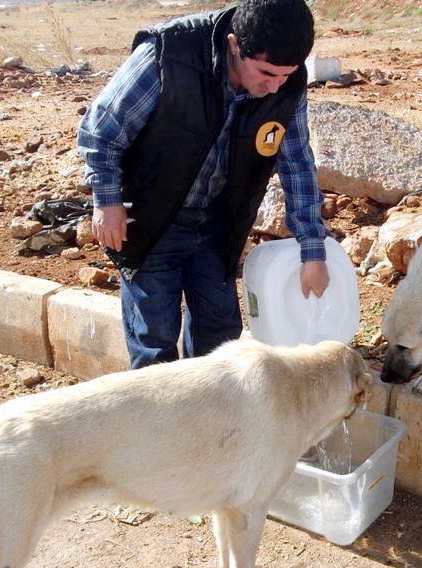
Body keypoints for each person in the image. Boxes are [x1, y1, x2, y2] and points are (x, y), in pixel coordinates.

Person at [78, 0, 329, 369]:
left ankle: (210, 424)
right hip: (152, 218)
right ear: (233, 45)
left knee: (220, 340)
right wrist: (107, 201)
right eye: (266, 73)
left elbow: (297, 164)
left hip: (217, 221)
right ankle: (161, 426)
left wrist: (313, 248)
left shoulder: (285, 86)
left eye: (286, 76)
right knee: (155, 342)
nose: (275, 88)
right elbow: (101, 132)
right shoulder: (169, 55)